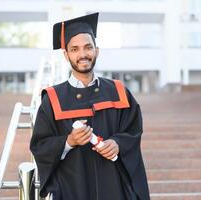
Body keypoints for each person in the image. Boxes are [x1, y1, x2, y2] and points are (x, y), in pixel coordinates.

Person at [30, 12, 150, 200]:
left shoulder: (118, 92)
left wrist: (118, 143)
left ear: (97, 50)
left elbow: (134, 131)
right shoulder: (53, 99)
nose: (82, 54)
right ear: (66, 54)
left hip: (114, 186)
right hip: (71, 188)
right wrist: (69, 141)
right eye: (75, 49)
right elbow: (40, 145)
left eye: (88, 47)